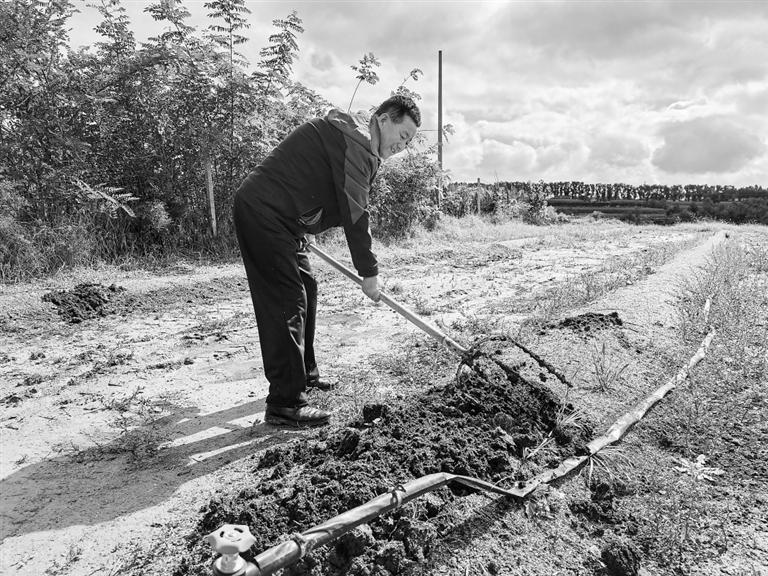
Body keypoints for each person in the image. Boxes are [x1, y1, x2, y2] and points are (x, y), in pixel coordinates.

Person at [233, 95, 421, 427]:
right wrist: (369, 272)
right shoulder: (356, 143)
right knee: (286, 299)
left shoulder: (358, 142)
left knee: (307, 286)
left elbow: (315, 184)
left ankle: (305, 374)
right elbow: (355, 214)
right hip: (264, 213)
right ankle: (284, 404)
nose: (403, 146)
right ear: (383, 119)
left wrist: (304, 224)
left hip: (285, 219)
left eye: (409, 142)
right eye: (403, 136)